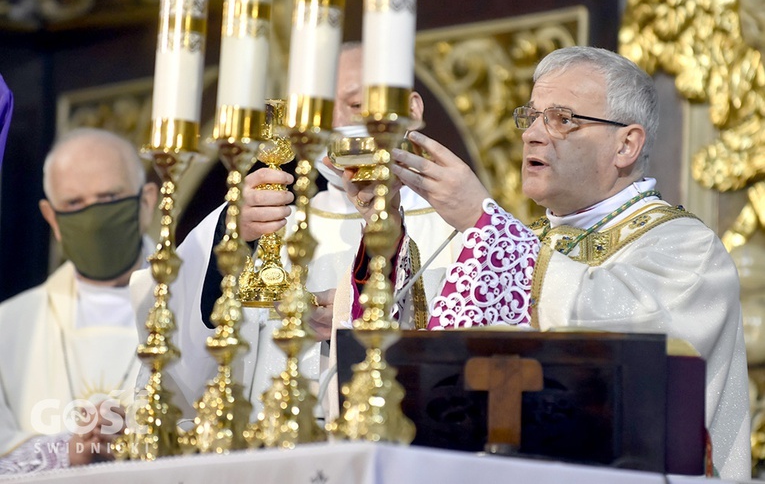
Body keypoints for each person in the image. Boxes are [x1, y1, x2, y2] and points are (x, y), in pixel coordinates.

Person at [334, 45, 750, 479]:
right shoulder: (519, 242)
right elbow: (424, 349)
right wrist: (385, 230)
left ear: (626, 145)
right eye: (531, 116)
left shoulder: (684, 248)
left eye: (562, 119)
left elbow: (628, 348)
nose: (533, 134)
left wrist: (483, 222)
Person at [129, 42, 461, 421]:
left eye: (355, 105)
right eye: (318, 113)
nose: (336, 125)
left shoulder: (458, 226)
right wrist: (227, 234)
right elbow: (186, 364)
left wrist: (346, 312)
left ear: (412, 110)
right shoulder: (269, 226)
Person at [0, 128, 158, 473]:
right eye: (74, 204)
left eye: (108, 199)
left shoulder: (202, 310)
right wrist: (67, 452)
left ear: (146, 202)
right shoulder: (8, 327)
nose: (94, 220)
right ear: (52, 218)